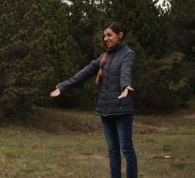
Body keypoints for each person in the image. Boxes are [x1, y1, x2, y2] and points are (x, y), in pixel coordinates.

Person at [50, 22, 137, 178]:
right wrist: (63, 86)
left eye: (109, 35)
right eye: (104, 35)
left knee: (127, 149)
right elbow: (83, 73)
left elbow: (125, 72)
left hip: (122, 108)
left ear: (120, 35)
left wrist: (126, 86)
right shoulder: (104, 57)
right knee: (112, 150)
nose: (105, 38)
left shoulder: (128, 54)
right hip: (105, 109)